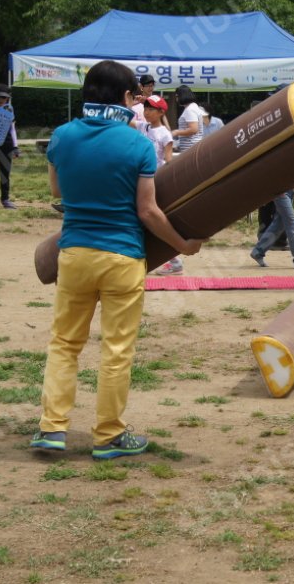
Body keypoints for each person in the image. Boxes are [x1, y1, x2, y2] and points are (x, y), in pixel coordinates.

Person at [30, 60, 204, 458]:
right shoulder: (138, 145)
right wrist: (183, 244)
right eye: (137, 97)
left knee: (64, 344)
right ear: (127, 98)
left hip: (74, 254)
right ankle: (108, 435)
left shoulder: (63, 136)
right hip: (123, 256)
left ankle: (51, 429)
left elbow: (57, 190)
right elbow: (148, 211)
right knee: (116, 348)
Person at [140, 95, 183, 276]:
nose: (146, 112)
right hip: (142, 180)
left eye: (151, 109)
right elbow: (124, 119)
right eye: (146, 108)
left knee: (153, 221)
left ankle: (174, 261)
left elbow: (168, 160)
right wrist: (133, 101)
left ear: (161, 112)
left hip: (155, 182)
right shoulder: (143, 126)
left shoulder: (165, 134)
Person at [250, 189, 294, 270]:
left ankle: (258, 252)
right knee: (293, 226)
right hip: (281, 191)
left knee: (279, 224)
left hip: (289, 190)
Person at [172, 85, 203, 152]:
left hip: (191, 147)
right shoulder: (193, 107)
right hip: (192, 146)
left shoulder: (190, 110)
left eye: (177, 96)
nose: (176, 99)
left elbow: (193, 129)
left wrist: (177, 132)